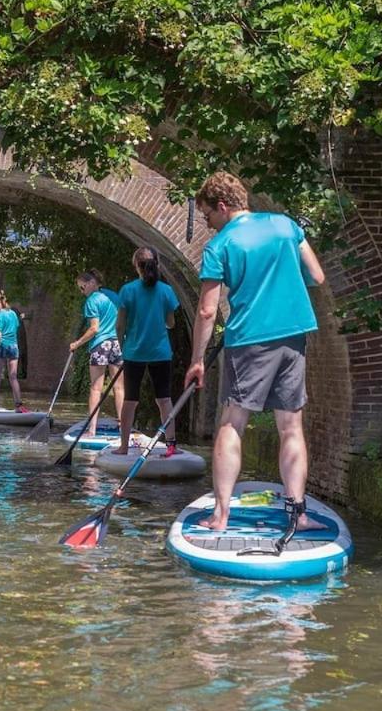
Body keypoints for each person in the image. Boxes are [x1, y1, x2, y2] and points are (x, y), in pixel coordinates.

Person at [183, 172, 326, 532]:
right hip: (293, 334)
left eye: (207, 217)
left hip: (249, 340)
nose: (208, 225)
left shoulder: (220, 245)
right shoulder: (286, 226)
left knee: (232, 422)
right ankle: (299, 515)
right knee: (291, 426)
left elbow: (206, 311)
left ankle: (221, 516)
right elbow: (317, 276)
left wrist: (197, 361)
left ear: (222, 206)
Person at [113, 247, 180, 457]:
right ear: (157, 264)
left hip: (134, 352)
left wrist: (123, 348)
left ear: (136, 266)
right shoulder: (166, 291)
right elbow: (171, 323)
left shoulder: (127, 290)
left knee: (130, 401)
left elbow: (119, 326)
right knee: (164, 399)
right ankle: (171, 445)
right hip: (161, 352)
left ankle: (123, 447)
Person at [70, 268, 124, 437]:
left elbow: (94, 329)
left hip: (100, 345)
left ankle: (92, 430)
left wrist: (77, 343)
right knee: (119, 387)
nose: (81, 291)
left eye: (82, 287)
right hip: (117, 344)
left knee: (95, 388)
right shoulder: (112, 295)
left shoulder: (91, 301)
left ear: (92, 283)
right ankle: (124, 427)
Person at [0, 290, 30, 412]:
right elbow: (15, 328)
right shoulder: (13, 314)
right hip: (14, 347)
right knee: (13, 377)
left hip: (2, 346)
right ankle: (18, 406)